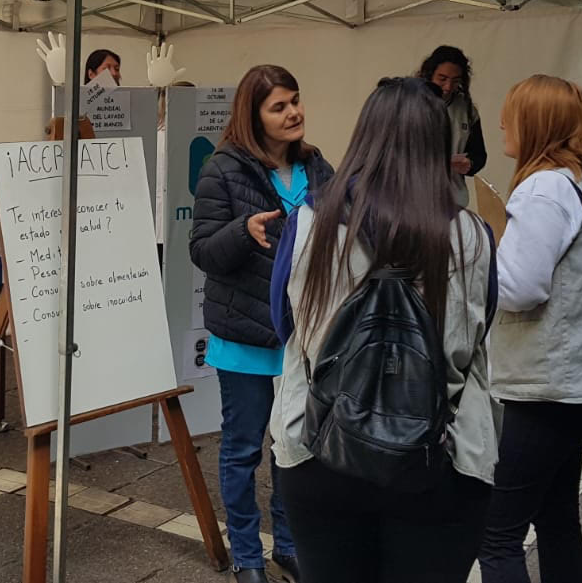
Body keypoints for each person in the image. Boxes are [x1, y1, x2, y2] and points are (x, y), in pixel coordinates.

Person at [269, 77, 499, 583]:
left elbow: (283, 323)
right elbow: (480, 330)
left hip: (320, 444)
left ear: (364, 137)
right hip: (441, 451)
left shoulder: (308, 224)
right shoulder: (471, 235)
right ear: (438, 146)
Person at [477, 74, 582, 583]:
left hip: (550, 386)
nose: (501, 123)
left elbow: (520, 288)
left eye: (511, 114)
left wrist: (482, 256)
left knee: (496, 536)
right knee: (556, 517)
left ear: (535, 123)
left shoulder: (545, 187)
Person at [190, 64, 333, 583]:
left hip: (303, 337)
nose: (293, 112)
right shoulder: (222, 169)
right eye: (279, 106)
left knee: (294, 445)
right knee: (243, 449)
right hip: (245, 336)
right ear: (253, 116)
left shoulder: (317, 166)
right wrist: (241, 231)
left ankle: (288, 545)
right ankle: (247, 555)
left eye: (295, 100)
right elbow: (201, 250)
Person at [417, 46, 487, 201]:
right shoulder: (412, 105)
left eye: (455, 81)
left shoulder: (467, 110)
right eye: (442, 79)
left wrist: (470, 164)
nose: (448, 87)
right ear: (429, 75)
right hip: (416, 196)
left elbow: (479, 155)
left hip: (453, 198)